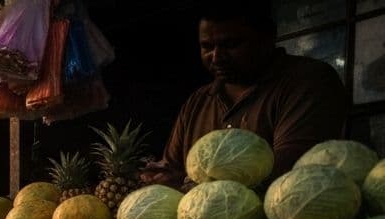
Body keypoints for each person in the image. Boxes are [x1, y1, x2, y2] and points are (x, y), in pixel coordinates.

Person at [141, 0, 348, 188]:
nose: (216, 57)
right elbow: (169, 171)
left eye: (231, 44)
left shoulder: (307, 81)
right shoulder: (197, 102)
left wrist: (185, 181)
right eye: (207, 47)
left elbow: (286, 172)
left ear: (267, 38)